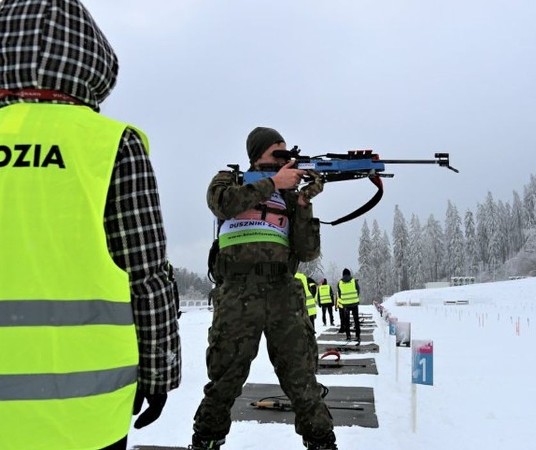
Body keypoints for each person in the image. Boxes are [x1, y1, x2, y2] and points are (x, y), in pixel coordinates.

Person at [0, 1, 181, 449]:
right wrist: (159, 371)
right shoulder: (111, 146)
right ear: (91, 61)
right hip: (83, 412)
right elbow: (146, 274)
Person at [191, 127, 337, 450]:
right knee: (225, 377)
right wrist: (274, 183)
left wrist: (302, 202)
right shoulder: (229, 181)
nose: (284, 161)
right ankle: (206, 440)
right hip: (237, 293)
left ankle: (321, 441)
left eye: (287, 155)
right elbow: (223, 204)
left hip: (282, 291)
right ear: (257, 155)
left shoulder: (289, 195)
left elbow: (308, 250)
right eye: (277, 154)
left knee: (302, 379)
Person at [337, 268, 361, 344]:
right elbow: (358, 290)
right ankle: (357, 335)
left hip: (345, 305)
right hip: (354, 303)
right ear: (349, 274)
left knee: (346, 321)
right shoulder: (354, 281)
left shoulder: (340, 283)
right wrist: (355, 297)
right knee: (356, 320)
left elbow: (339, 294)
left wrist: (344, 299)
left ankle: (348, 336)